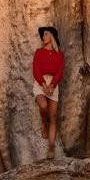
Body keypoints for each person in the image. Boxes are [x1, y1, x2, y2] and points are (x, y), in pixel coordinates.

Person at [32, 25, 65, 159]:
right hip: (40, 82)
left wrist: (52, 85)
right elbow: (35, 70)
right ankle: (43, 122)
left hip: (53, 84)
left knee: (53, 117)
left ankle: (51, 148)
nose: (43, 37)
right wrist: (44, 84)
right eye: (43, 35)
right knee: (43, 105)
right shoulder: (39, 52)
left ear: (51, 36)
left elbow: (60, 72)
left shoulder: (59, 55)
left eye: (45, 34)